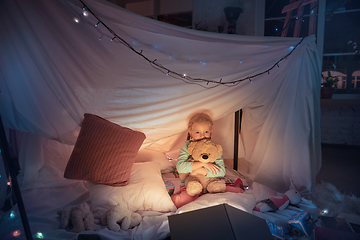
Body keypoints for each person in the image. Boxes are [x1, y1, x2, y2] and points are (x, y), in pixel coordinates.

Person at [171, 113, 226, 208]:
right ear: (190, 132)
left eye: (206, 132)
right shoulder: (187, 146)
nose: (202, 136)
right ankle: (175, 198)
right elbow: (180, 167)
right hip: (190, 185)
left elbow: (221, 172)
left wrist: (200, 170)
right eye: (197, 132)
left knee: (220, 197)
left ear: (211, 131)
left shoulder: (212, 147)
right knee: (184, 202)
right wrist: (203, 164)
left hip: (210, 184)